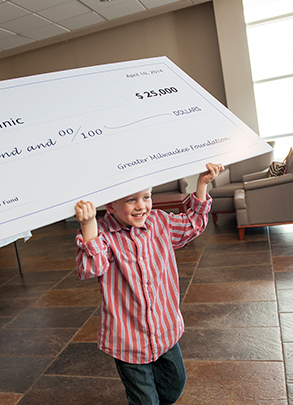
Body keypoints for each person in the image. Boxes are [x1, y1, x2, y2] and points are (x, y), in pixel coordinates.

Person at [74, 162, 223, 405]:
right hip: (128, 338)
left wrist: (202, 184)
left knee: (175, 385)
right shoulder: (103, 234)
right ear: (110, 205)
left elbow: (192, 225)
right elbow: (91, 267)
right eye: (131, 200)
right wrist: (89, 224)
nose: (141, 205)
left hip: (165, 329)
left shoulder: (160, 223)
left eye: (146, 197)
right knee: (144, 400)